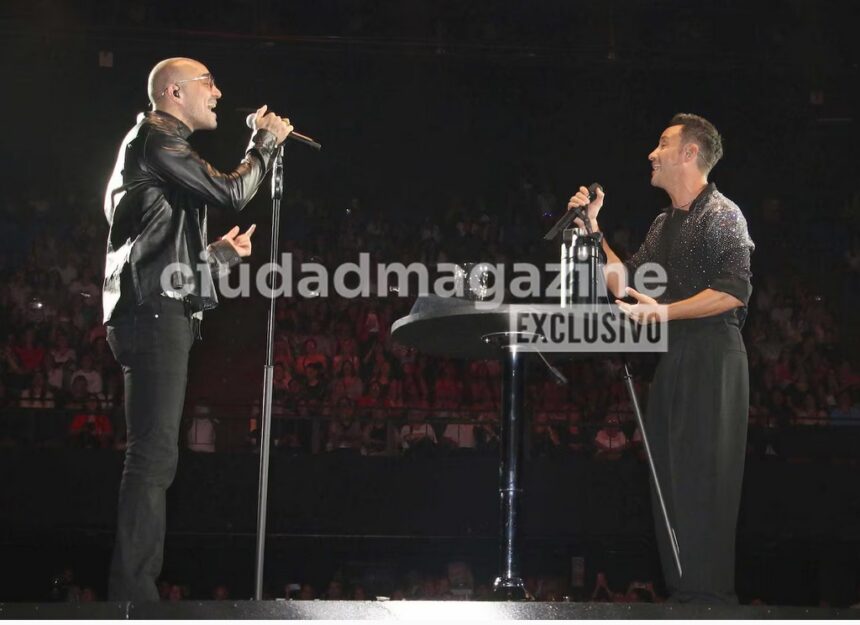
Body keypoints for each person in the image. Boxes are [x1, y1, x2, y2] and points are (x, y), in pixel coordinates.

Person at [102, 57, 292, 601]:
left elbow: (157, 245)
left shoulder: (156, 149)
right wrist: (264, 145)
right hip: (154, 311)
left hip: (157, 305)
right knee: (153, 456)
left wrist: (218, 256)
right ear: (174, 91)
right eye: (209, 83)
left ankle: (134, 589)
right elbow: (231, 192)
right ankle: (133, 595)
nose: (218, 92)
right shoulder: (158, 138)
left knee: (156, 455)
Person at [568, 113, 753, 603]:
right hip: (674, 360)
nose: (652, 152)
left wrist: (664, 312)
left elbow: (734, 292)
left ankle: (711, 603)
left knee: (703, 486)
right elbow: (624, 284)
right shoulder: (664, 223)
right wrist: (593, 229)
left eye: (663, 143)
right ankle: (685, 597)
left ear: (690, 153)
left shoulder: (723, 214)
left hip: (713, 358)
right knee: (668, 486)